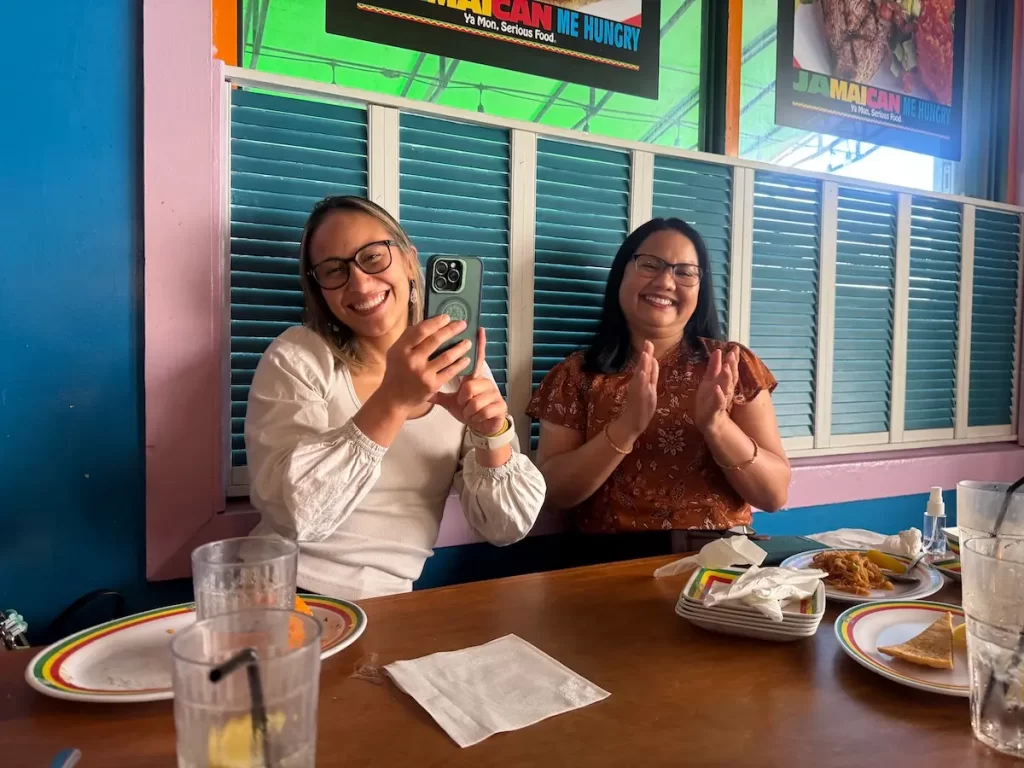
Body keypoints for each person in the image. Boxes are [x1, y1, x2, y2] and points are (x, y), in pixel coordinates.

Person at [245, 196, 545, 600]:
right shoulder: (299, 355)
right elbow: (296, 515)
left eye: (372, 257)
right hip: (275, 591)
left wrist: (493, 435)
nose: (359, 283)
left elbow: (506, 528)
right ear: (319, 289)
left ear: (408, 261)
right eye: (334, 270)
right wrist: (393, 401)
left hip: (389, 602)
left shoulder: (460, 367)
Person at [527, 217, 790, 550]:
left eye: (685, 272)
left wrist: (718, 426)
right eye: (650, 265)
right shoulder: (575, 375)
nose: (666, 282)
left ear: (700, 288)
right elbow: (553, 495)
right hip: (606, 560)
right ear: (621, 274)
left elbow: (773, 496)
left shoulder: (732, 365)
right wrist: (626, 427)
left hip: (718, 557)